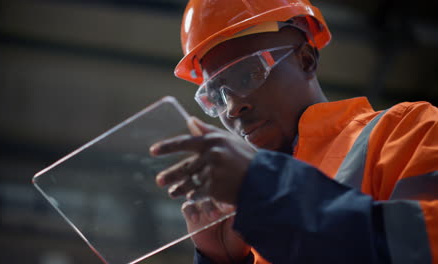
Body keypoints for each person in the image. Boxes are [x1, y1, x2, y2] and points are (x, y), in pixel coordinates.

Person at [149, 0, 438, 263]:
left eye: (249, 74)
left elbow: (420, 249)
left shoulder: (410, 130)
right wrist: (220, 259)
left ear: (306, 60)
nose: (233, 107)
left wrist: (265, 189)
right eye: (217, 95)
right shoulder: (250, 224)